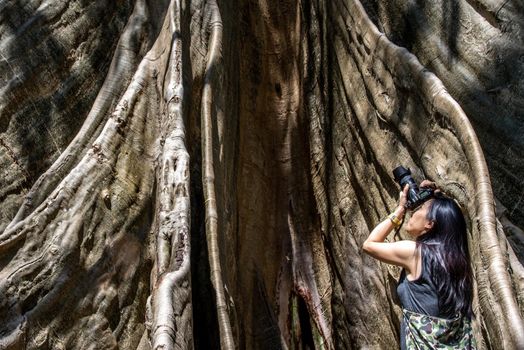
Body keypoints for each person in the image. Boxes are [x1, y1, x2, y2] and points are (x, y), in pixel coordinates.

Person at [363, 180, 475, 349]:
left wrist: (399, 210)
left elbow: (369, 244)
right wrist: (434, 198)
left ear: (430, 224)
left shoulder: (415, 253)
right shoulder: (458, 263)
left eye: (420, 209)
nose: (413, 212)